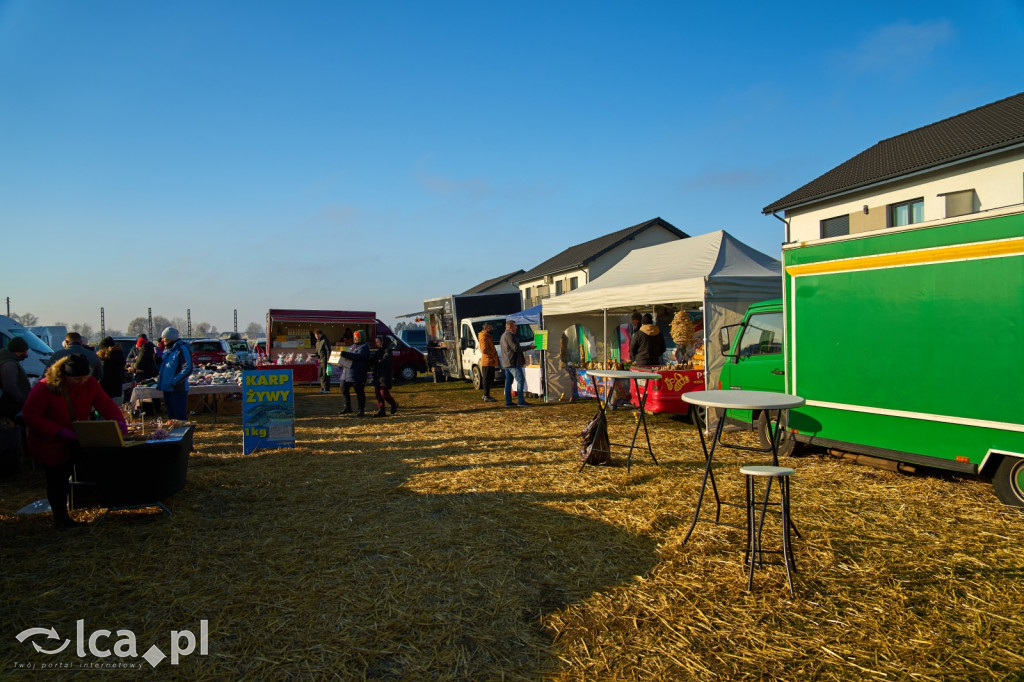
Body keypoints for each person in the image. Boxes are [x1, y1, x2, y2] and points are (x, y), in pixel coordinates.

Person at [22, 354, 125, 528]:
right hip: (50, 442)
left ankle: (85, 503)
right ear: (64, 375)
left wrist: (119, 421)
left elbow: (105, 404)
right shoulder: (44, 387)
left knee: (79, 471)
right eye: (77, 379)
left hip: (76, 437)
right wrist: (58, 431)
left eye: (84, 377)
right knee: (57, 479)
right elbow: (30, 415)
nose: (81, 382)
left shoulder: (90, 383)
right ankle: (60, 518)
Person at [0, 337, 31, 474]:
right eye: (25, 351)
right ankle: (12, 467)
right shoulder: (9, 364)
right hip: (10, 408)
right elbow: (10, 386)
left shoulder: (8, 361)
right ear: (20, 351)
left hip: (9, 407)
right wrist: (21, 399)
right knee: (10, 437)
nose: (26, 354)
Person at [156, 327, 193, 420]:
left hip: (177, 389)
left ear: (170, 338)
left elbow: (188, 368)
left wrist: (174, 381)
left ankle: (183, 429)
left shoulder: (182, 349)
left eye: (164, 338)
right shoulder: (167, 350)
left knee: (179, 417)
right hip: (167, 388)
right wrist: (157, 361)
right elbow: (165, 368)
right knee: (171, 418)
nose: (162, 340)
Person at [501, 320, 532, 408]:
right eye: (515, 326)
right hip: (512, 362)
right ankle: (520, 401)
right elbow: (515, 348)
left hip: (507, 362)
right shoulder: (509, 335)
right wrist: (529, 347)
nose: (516, 328)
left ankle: (508, 402)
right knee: (520, 380)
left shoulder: (504, 335)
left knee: (508, 382)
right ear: (510, 327)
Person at [339, 330, 370, 416]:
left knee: (359, 392)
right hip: (347, 373)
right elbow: (349, 356)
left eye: (357, 337)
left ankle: (361, 409)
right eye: (354, 337)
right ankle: (347, 407)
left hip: (357, 373)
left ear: (361, 337)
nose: (355, 339)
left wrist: (345, 354)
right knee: (343, 388)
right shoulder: (352, 346)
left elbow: (359, 356)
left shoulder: (364, 347)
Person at [370, 336, 398, 417]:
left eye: (378, 342)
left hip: (385, 376)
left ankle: (393, 404)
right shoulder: (378, 351)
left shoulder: (387, 351)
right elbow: (374, 360)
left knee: (383, 393)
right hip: (377, 375)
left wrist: (377, 362)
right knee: (377, 393)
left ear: (382, 342)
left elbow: (384, 361)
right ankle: (381, 409)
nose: (376, 344)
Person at [96, 336, 127, 405]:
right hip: (118, 390)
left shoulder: (106, 361)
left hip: (106, 392)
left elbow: (103, 379)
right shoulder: (120, 356)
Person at [478, 322, 499, 402]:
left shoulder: (487, 336)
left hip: (490, 360)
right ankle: (486, 395)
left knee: (490, 378)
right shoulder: (484, 337)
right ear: (486, 329)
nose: (492, 329)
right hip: (487, 360)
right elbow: (484, 350)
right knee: (487, 378)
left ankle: (486, 394)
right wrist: (492, 354)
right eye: (490, 328)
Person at [314, 329, 332, 394]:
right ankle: (322, 388)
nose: (316, 336)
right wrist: (314, 355)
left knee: (325, 375)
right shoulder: (317, 342)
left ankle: (326, 389)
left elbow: (328, 350)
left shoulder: (325, 340)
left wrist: (328, 359)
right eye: (315, 335)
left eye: (317, 334)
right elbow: (317, 352)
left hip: (325, 360)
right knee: (321, 374)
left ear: (320, 334)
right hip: (320, 360)